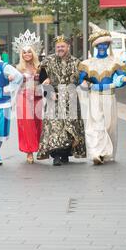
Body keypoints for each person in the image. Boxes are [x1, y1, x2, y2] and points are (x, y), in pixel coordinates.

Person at [78, 29, 126, 165]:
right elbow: (81, 80)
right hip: (94, 96)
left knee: (109, 126)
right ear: (95, 46)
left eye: (105, 44)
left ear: (108, 45)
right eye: (100, 44)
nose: (102, 47)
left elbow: (123, 77)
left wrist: (123, 79)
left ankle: (107, 153)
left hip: (109, 96)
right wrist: (85, 84)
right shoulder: (87, 63)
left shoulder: (115, 62)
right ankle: (97, 153)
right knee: (95, 125)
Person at [36, 35, 86, 166]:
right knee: (55, 127)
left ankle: (66, 154)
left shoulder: (76, 62)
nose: (60, 49)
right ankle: (56, 155)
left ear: (68, 47)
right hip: (54, 97)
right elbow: (42, 79)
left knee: (70, 127)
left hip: (71, 99)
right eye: (58, 47)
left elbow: (82, 79)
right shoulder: (48, 61)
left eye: (62, 46)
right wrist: (48, 89)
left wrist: (86, 83)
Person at [12, 30, 43, 164]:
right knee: (27, 125)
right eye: (24, 52)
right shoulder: (18, 69)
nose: (27, 54)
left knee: (37, 124)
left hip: (38, 97)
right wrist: (11, 78)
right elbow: (12, 83)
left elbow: (46, 80)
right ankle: (29, 152)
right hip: (23, 98)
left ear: (33, 53)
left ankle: (38, 147)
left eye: (29, 51)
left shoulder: (40, 67)